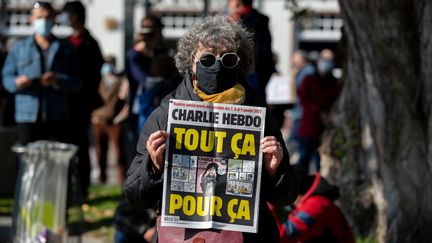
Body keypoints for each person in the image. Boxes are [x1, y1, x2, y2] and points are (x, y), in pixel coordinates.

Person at [124, 16, 298, 242]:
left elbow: (287, 196)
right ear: (191, 63)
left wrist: (275, 171)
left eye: (227, 59)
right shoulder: (167, 114)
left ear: (239, 64)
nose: (216, 66)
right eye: (207, 59)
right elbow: (135, 195)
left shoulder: (259, 115)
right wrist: (154, 167)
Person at [2, 1, 81, 145]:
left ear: (53, 19)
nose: (43, 21)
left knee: (56, 163)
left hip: (57, 117)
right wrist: (17, 83)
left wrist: (57, 80)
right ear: (31, 19)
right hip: (27, 117)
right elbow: (6, 79)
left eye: (47, 17)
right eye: (39, 17)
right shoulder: (18, 48)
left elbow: (78, 81)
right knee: (27, 162)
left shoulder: (66, 49)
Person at [62, 0, 105, 197]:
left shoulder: (90, 43)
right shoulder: (66, 42)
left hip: (82, 103)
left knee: (81, 146)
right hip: (64, 104)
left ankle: (82, 189)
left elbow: (94, 74)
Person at [125, 15, 179, 143]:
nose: (148, 32)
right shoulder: (135, 54)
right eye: (145, 28)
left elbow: (172, 76)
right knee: (141, 144)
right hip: (142, 106)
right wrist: (139, 51)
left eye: (152, 29)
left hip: (163, 104)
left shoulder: (165, 51)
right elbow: (139, 77)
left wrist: (157, 53)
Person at [270, 167, 354, 243]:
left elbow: (281, 236)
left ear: (294, 194)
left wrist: (267, 206)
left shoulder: (314, 207)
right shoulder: (317, 202)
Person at [297, 49, 341, 172]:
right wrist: (320, 111)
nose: (326, 63)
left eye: (330, 60)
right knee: (303, 161)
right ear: (318, 61)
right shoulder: (309, 79)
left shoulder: (334, 83)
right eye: (324, 59)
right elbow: (305, 101)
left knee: (321, 165)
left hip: (325, 131)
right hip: (308, 129)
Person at [227, 0, 275, 101]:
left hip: (248, 77)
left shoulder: (243, 22)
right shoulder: (260, 21)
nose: (228, 4)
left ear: (237, 3)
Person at [91, 56, 128, 184]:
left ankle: (122, 179)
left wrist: (120, 118)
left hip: (115, 123)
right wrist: (93, 116)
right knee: (100, 151)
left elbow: (125, 101)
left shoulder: (120, 82)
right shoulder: (98, 81)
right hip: (98, 121)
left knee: (119, 152)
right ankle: (102, 178)